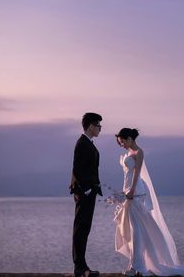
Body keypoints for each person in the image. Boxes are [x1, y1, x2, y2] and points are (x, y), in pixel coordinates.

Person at [114, 128, 184, 277]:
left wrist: (132, 190)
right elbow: (127, 174)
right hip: (129, 192)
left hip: (135, 193)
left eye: (122, 141)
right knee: (137, 230)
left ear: (129, 138)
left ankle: (138, 266)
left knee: (138, 231)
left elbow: (137, 173)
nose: (121, 144)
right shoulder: (129, 153)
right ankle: (137, 264)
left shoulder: (138, 152)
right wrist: (126, 191)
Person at [69, 112, 103, 277]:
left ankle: (82, 266)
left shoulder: (89, 143)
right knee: (81, 228)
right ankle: (80, 268)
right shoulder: (82, 143)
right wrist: (85, 190)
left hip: (90, 192)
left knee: (84, 229)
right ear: (91, 126)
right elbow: (77, 169)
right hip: (85, 193)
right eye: (98, 126)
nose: (100, 129)